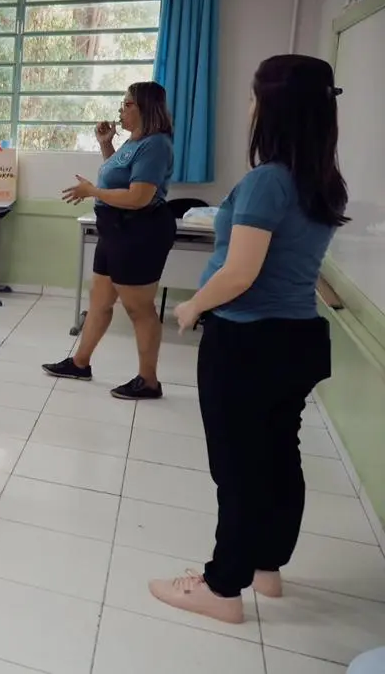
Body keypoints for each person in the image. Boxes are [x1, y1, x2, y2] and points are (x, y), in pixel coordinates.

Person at [148, 56, 347, 624]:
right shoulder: (321, 180)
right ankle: (266, 567)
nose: (251, 110)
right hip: (297, 340)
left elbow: (240, 272)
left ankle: (222, 586)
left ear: (274, 108)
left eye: (256, 99)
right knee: (280, 456)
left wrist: (191, 304)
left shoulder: (266, 181)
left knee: (237, 467)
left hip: (247, 343)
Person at [43, 82, 176, 400]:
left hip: (139, 231)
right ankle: (80, 363)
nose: (121, 109)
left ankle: (149, 381)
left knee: (138, 308)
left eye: (127, 104)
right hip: (114, 229)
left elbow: (139, 197)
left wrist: (92, 192)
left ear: (144, 107)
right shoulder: (133, 142)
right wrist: (106, 145)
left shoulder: (156, 145)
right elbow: (118, 176)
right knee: (99, 302)